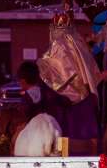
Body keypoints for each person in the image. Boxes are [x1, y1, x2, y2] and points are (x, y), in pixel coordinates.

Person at [37, 12, 100, 140]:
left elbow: (60, 70)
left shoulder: (58, 45)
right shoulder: (79, 43)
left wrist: (41, 64)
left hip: (66, 102)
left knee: (67, 138)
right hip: (85, 97)